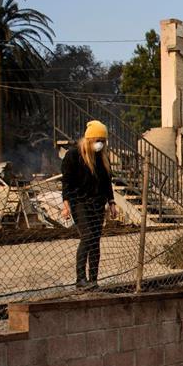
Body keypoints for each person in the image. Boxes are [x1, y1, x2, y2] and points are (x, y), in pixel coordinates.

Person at [61, 120, 116, 289]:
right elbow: (67, 182)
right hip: (79, 202)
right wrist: (66, 204)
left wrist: (111, 202)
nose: (100, 144)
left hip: (97, 203)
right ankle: (80, 279)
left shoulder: (102, 158)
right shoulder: (73, 155)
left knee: (95, 240)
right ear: (89, 139)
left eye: (103, 140)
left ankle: (93, 279)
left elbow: (107, 182)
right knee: (87, 236)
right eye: (97, 139)